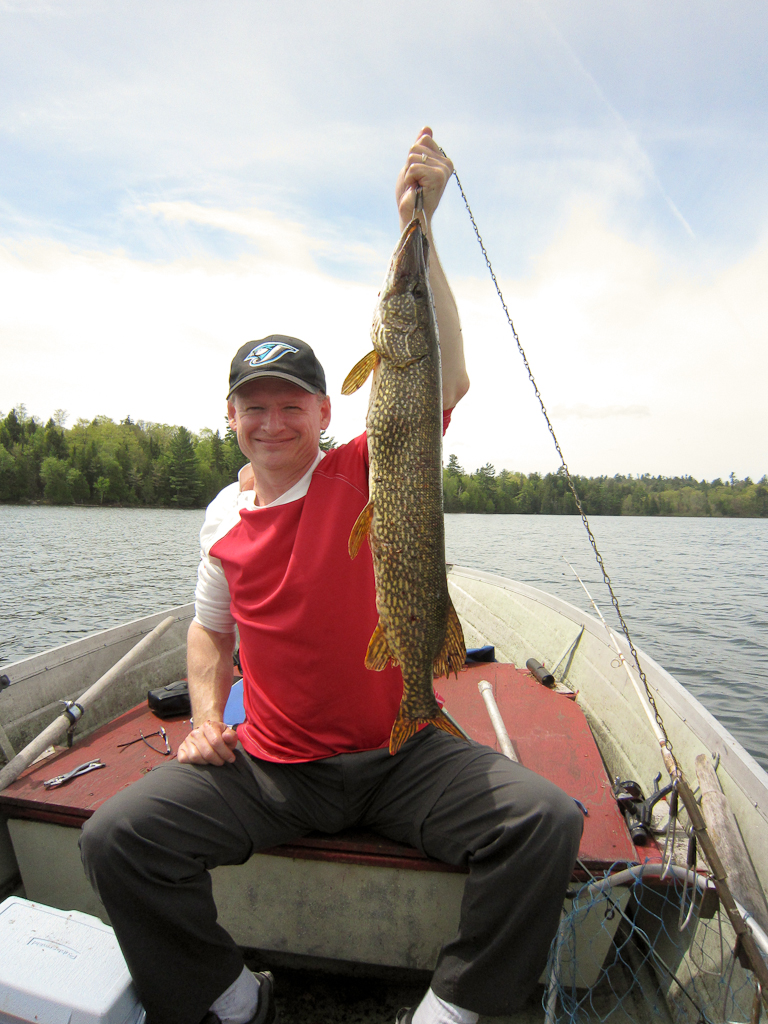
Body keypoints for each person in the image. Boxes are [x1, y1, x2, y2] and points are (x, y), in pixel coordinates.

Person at [80, 127, 583, 1024]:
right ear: (231, 415)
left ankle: (457, 1006)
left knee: (546, 822)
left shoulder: (364, 466)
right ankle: (229, 998)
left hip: (400, 755)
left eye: (291, 405)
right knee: (118, 837)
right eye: (255, 406)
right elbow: (209, 634)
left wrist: (422, 228)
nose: (272, 422)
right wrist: (207, 720)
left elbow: (446, 374)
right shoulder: (221, 518)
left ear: (325, 408)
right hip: (273, 767)